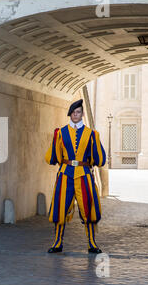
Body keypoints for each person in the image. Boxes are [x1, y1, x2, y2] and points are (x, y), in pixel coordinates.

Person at [44, 99, 106, 254]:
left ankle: (92, 243)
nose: (75, 114)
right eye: (73, 112)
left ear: (82, 114)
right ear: (70, 114)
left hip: (84, 175)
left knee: (88, 207)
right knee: (61, 208)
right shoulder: (61, 132)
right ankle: (57, 242)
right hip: (65, 174)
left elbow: (98, 158)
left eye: (78, 112)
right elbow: (53, 156)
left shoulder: (91, 134)